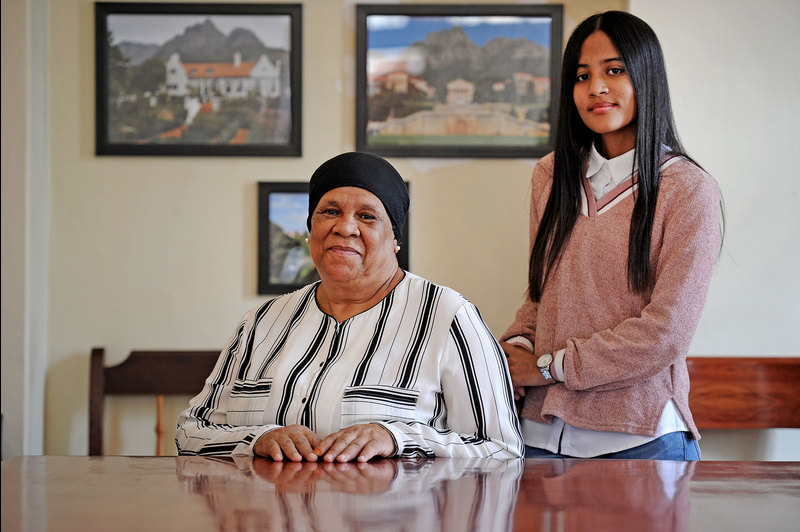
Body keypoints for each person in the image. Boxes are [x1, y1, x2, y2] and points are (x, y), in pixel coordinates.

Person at [177, 151, 523, 461]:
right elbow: (190, 431)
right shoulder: (262, 321)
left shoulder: (448, 316)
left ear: (395, 239)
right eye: (330, 211)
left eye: (368, 216)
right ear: (310, 230)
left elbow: (501, 450)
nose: (344, 227)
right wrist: (258, 439)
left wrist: (397, 437)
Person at [500, 11, 722, 460]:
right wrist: (513, 350)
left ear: (646, 77)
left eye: (614, 70)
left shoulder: (688, 188)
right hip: (538, 437)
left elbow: (667, 332)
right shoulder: (551, 174)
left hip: (640, 439)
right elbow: (542, 297)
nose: (597, 87)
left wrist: (548, 368)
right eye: (582, 76)